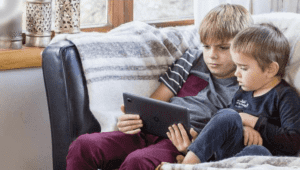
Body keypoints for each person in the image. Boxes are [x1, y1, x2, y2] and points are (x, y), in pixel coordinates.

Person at [66, 4, 254, 170]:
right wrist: (131, 118)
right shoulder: (191, 59)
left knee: (139, 161)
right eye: (206, 46)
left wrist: (193, 148)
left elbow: (226, 134)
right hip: (149, 130)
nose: (212, 55)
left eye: (223, 48)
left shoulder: (248, 84)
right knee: (83, 145)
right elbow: (156, 101)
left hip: (181, 144)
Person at [179, 23, 300, 164]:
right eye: (236, 66)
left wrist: (251, 121)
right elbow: (227, 123)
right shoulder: (242, 92)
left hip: (255, 158)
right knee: (227, 114)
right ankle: (188, 163)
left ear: (270, 69)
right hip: (227, 153)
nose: (236, 73)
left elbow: (293, 141)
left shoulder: (285, 96)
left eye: (243, 68)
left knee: (259, 151)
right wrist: (243, 127)